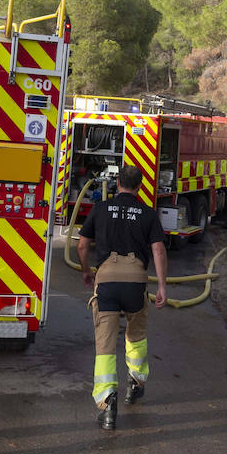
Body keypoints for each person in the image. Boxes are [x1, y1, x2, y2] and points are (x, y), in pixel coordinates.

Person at [76, 164, 168, 430]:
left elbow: (82, 245)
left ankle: (107, 408)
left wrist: (85, 271)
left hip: (106, 282)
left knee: (104, 345)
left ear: (118, 184)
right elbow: (159, 251)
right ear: (139, 186)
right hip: (135, 285)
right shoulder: (148, 214)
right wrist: (161, 286)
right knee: (136, 336)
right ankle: (135, 386)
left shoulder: (101, 209)